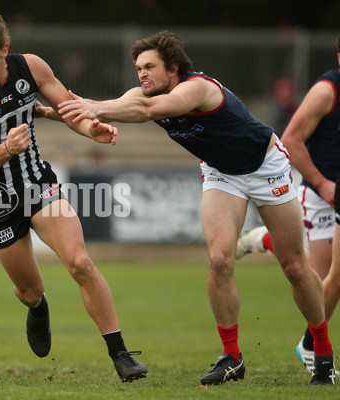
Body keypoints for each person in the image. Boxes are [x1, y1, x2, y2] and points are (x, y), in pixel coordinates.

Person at [57, 31, 335, 386]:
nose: (142, 74)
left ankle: (323, 352)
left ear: (173, 67)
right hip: (222, 173)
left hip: (267, 167)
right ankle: (232, 358)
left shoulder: (196, 89)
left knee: (295, 267)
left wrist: (95, 106)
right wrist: (52, 110)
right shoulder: (145, 94)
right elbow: (121, 104)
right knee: (220, 260)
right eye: (138, 67)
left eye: (150, 66)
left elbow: (146, 110)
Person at [0, 11, 146, 383]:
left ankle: (120, 354)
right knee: (28, 289)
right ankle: (38, 307)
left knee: (80, 264)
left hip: (38, 183)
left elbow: (69, 107)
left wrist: (91, 128)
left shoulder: (31, 67)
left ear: (4, 50)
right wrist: (7, 147)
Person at [238, 37, 340, 373]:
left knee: (327, 279)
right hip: (321, 194)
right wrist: (324, 185)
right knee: (323, 279)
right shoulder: (327, 90)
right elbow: (291, 139)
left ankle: (267, 240)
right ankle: (311, 345)